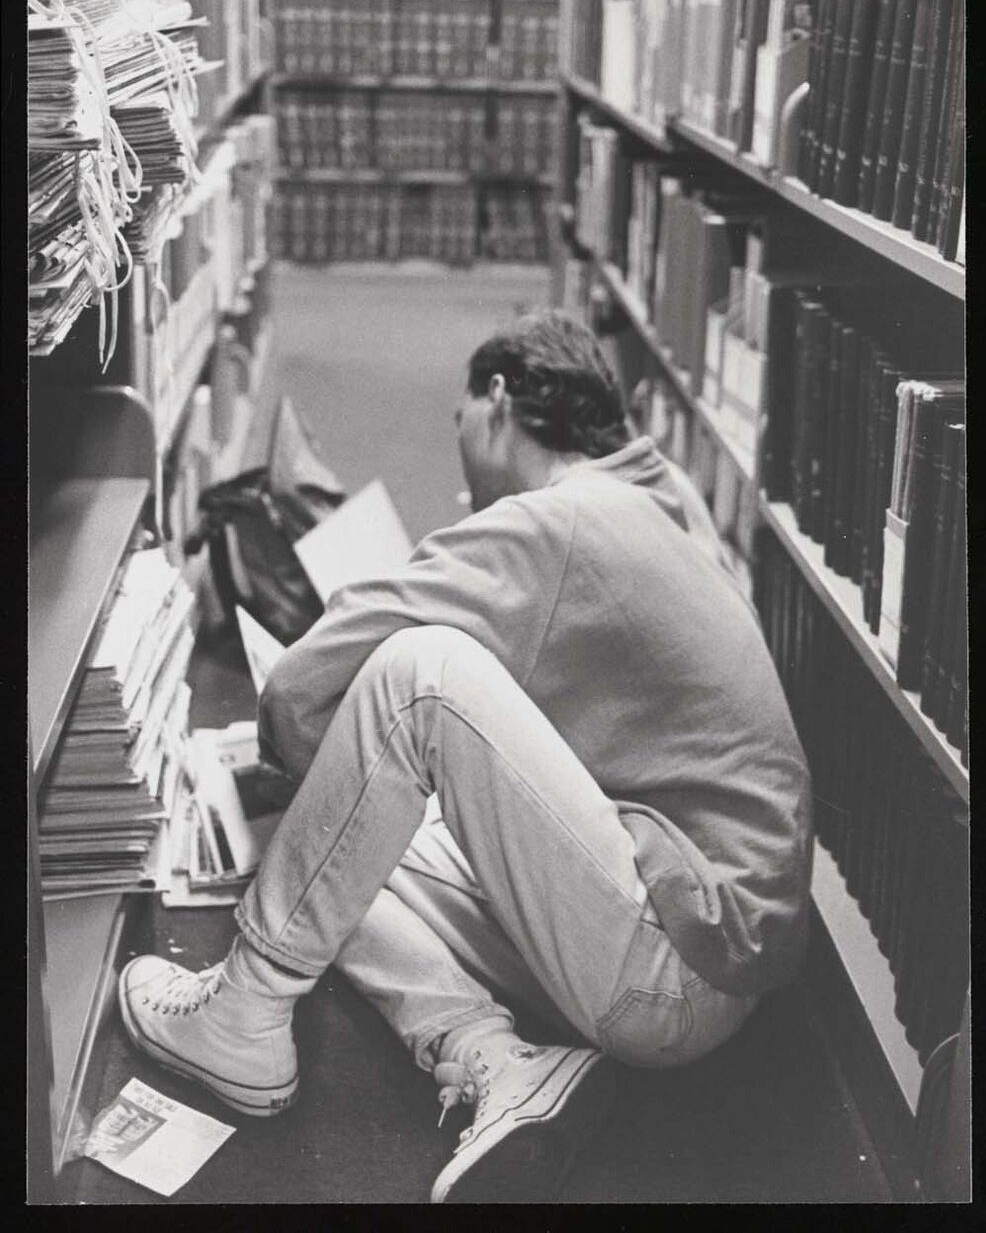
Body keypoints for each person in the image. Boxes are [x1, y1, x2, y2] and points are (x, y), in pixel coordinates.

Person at [119, 310, 813, 1204]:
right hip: (713, 954)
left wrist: (309, 757)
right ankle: (497, 1061)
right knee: (346, 840)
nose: (456, 448)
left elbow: (296, 691)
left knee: (419, 673)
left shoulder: (555, 521)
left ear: (496, 401)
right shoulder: (659, 494)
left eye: (457, 421)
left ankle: (242, 1009)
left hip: (678, 963)